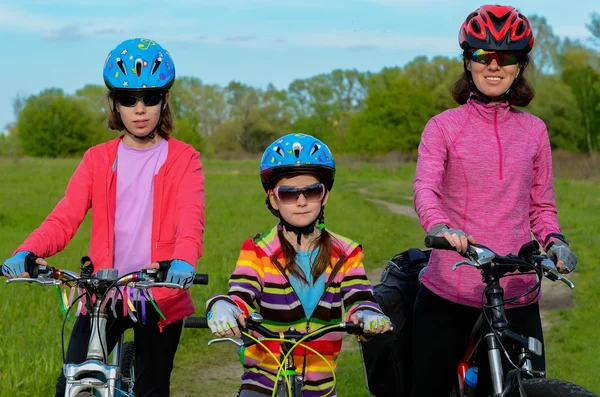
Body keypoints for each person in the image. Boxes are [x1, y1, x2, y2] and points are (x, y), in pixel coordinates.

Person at [1, 37, 205, 397]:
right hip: (104, 291)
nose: (140, 109)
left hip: (158, 290)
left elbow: (190, 218)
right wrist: (27, 252)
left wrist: (185, 261)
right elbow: (64, 218)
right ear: (115, 103)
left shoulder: (184, 159)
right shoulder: (97, 159)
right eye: (128, 99)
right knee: (72, 385)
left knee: (152, 389)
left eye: (150, 98)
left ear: (164, 101)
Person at [411, 5, 577, 397]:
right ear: (468, 61)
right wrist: (439, 226)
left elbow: (541, 205)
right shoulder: (443, 127)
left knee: (522, 389)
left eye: (507, 58)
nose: (494, 66)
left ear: (521, 67)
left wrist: (555, 240)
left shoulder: (534, 130)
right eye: (484, 55)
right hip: (452, 285)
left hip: (517, 288)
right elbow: (426, 189)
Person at [205, 133, 390, 396]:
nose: (301, 201)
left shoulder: (346, 253)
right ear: (272, 198)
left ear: (324, 195)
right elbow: (241, 293)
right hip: (263, 380)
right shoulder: (258, 250)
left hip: (321, 384)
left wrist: (368, 315)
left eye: (311, 191)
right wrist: (222, 306)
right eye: (289, 193)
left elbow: (359, 296)